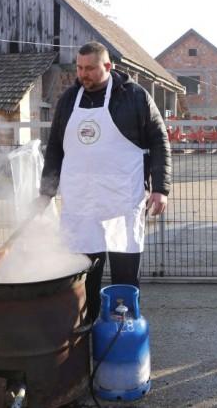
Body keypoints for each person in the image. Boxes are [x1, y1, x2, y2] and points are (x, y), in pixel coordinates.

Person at [38, 41, 171, 322]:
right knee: (83, 275)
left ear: (108, 67)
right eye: (79, 68)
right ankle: (83, 332)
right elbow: (55, 150)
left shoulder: (135, 97)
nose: (82, 74)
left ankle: (122, 334)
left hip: (121, 201)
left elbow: (160, 141)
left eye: (90, 69)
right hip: (80, 204)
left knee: (124, 277)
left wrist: (160, 188)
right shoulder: (68, 100)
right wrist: (45, 193)